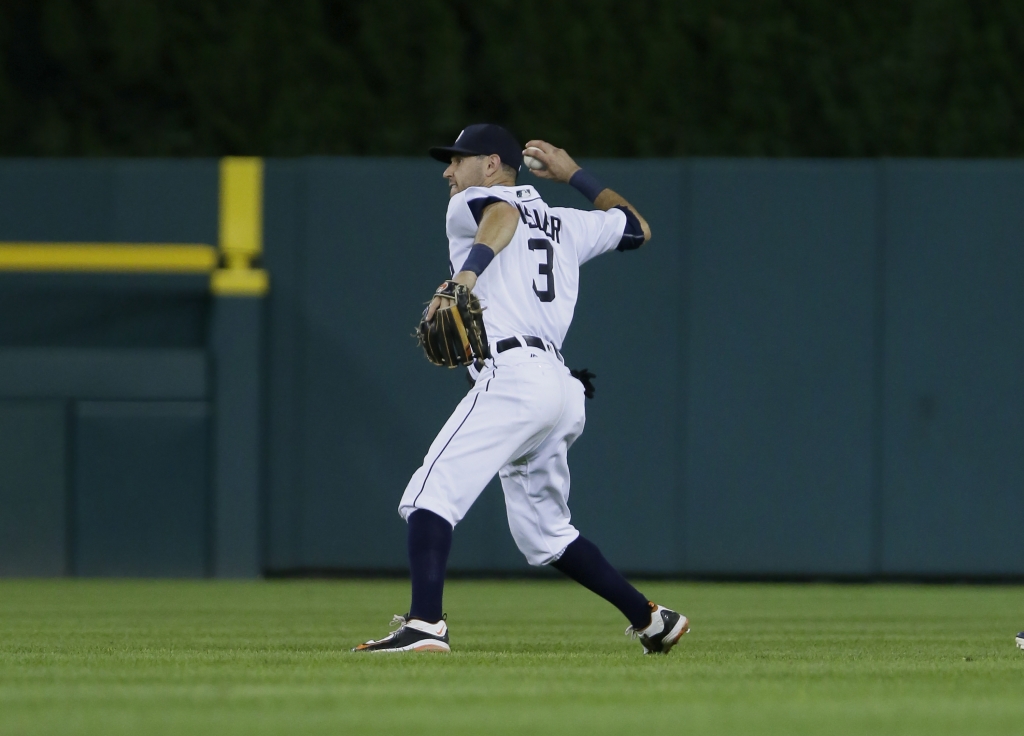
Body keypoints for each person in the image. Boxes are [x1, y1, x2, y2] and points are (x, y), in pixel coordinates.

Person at [352, 124, 688, 654]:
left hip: (514, 375)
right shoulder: (565, 223)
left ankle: (424, 625)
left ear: (490, 164)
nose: (448, 172)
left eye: (457, 160)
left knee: (429, 494)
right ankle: (652, 620)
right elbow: (637, 227)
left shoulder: (474, 202)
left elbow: (503, 214)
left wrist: (463, 279)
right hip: (559, 387)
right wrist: (575, 174)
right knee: (545, 533)